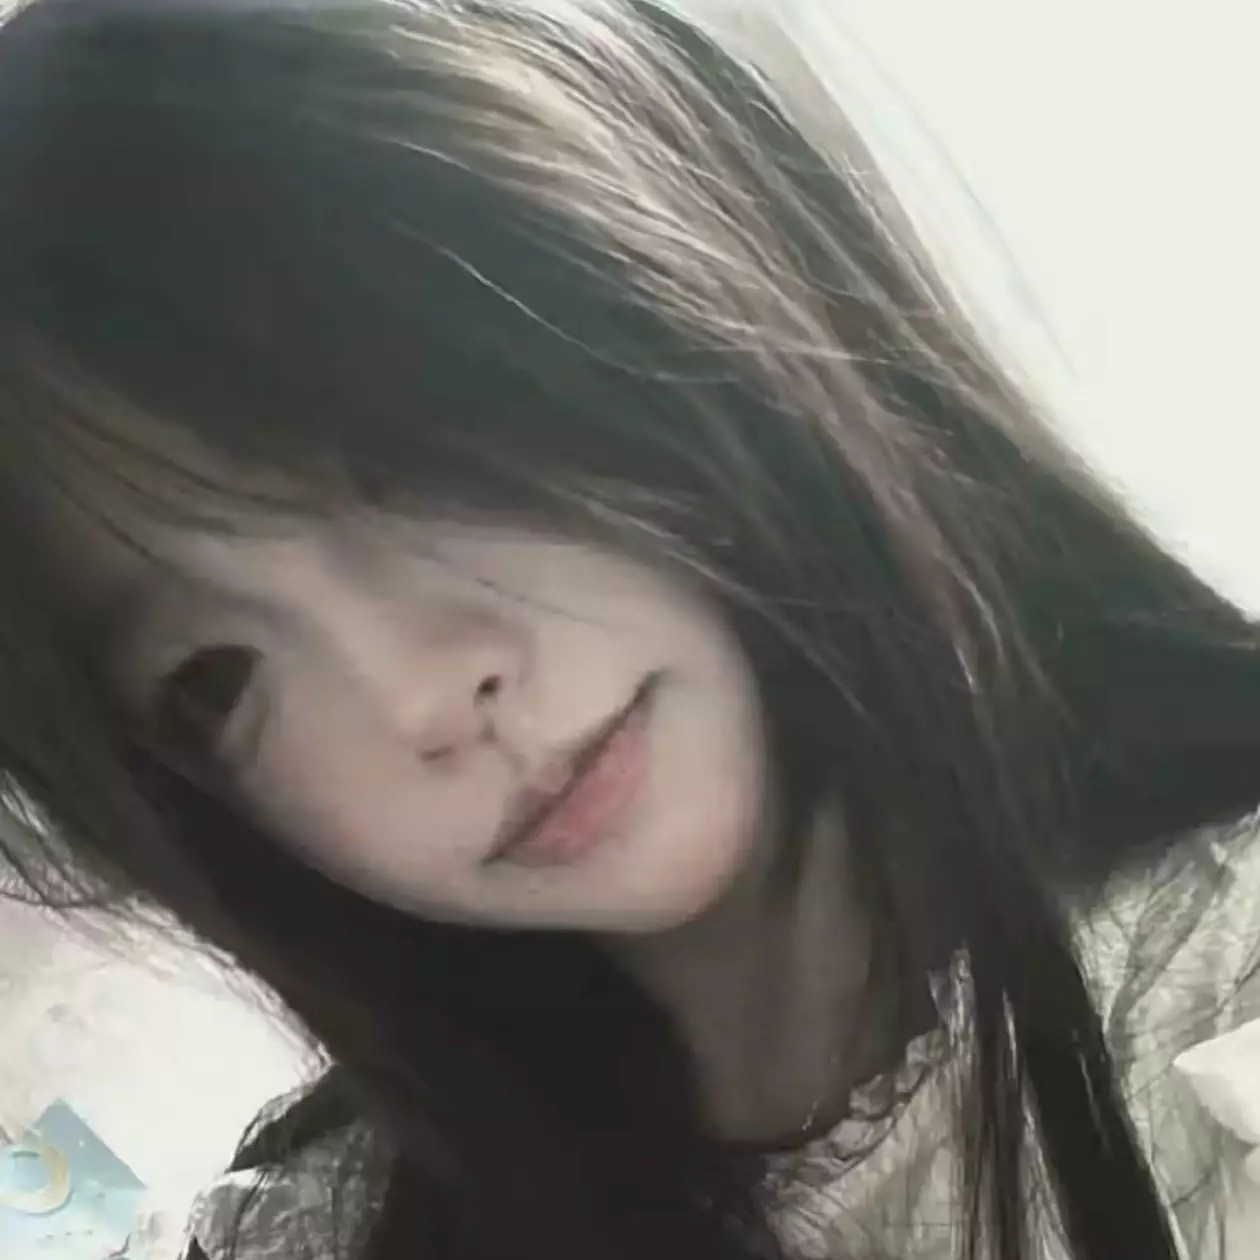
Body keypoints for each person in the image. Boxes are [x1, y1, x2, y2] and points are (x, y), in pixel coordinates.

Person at [0, 1, 1256, 1257]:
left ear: (640, 256)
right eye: (214, 680)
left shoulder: (1214, 997)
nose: (417, 697)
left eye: (403, 454)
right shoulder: (318, 1227)